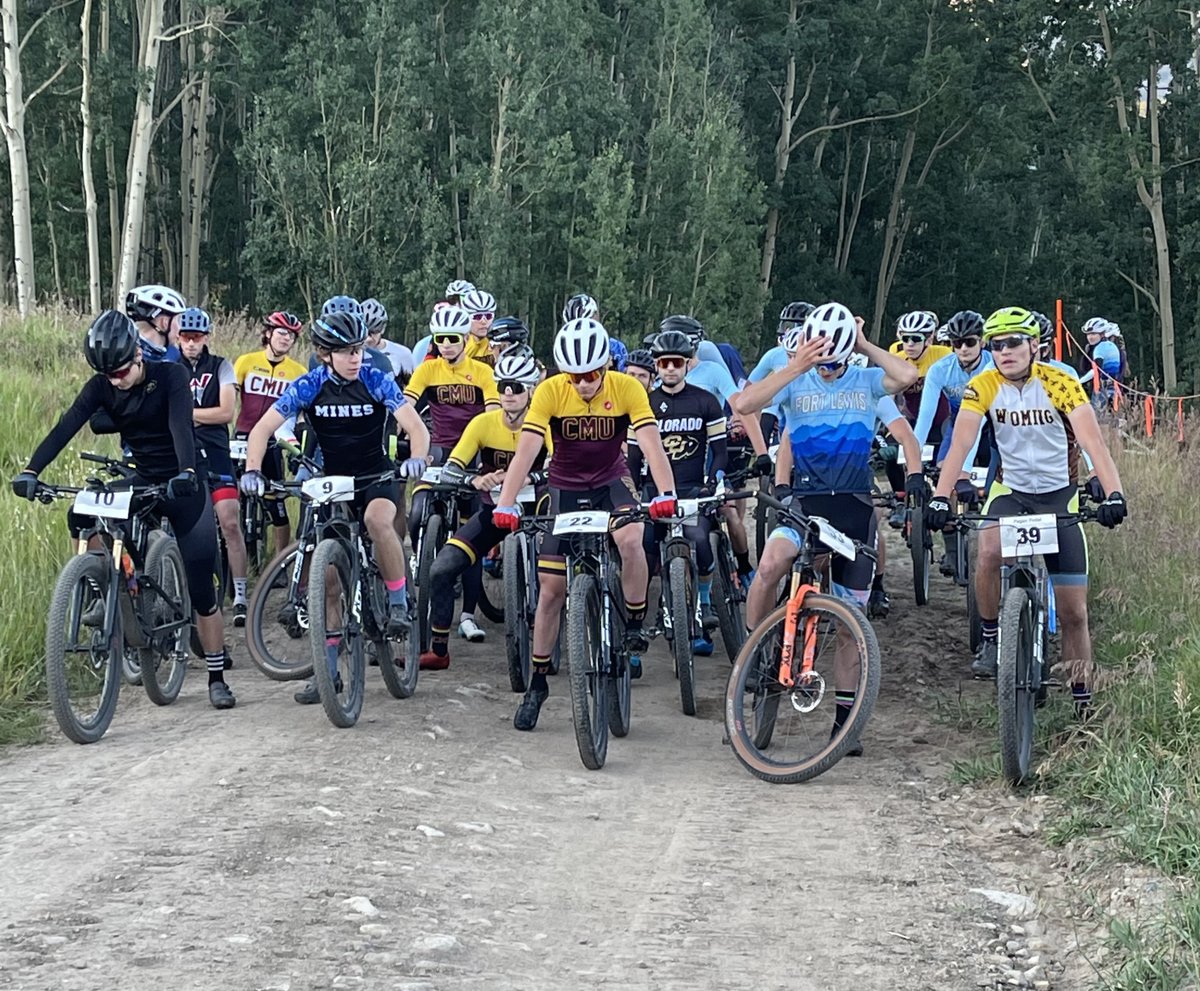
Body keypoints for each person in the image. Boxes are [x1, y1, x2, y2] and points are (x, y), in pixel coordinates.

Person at [12, 311, 237, 709]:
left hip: (183, 477)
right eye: (107, 375)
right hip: (142, 474)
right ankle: (106, 583)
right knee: (81, 514)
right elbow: (66, 427)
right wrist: (31, 470)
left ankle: (217, 675)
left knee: (201, 577)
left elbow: (180, 428)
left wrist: (186, 472)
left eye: (119, 372)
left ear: (137, 354)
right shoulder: (101, 385)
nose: (115, 380)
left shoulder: (169, 377)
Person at [733, 302, 919, 756]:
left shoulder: (866, 381)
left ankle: (844, 721)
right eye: (825, 361)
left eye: (837, 361)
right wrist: (797, 365)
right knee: (771, 564)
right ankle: (753, 653)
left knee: (851, 619)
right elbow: (743, 403)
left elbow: (907, 376)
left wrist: (862, 344)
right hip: (804, 502)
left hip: (853, 507)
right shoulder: (796, 381)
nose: (831, 370)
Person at [927, 307, 1127, 710]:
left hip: (1058, 495)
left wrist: (1114, 494)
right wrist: (939, 495)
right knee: (987, 551)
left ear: (1034, 346)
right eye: (996, 345)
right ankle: (988, 638)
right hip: (1012, 491)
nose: (1005, 352)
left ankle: (1082, 700)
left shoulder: (1060, 382)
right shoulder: (982, 385)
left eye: (1014, 342)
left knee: (1073, 612)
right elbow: (961, 443)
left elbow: (1093, 444)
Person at [491, 318, 679, 731]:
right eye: (574, 377)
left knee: (632, 537)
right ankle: (538, 684)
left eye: (592, 375)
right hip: (565, 485)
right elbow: (526, 451)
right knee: (551, 590)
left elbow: (650, 442)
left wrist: (666, 493)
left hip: (612, 481)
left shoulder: (628, 388)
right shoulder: (549, 392)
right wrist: (506, 503)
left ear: (607, 366)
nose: (583, 384)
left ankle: (632, 621)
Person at [240, 310, 431, 704]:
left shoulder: (377, 379)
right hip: (333, 480)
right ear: (325, 354)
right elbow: (261, 429)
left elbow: (416, 428)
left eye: (358, 349)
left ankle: (397, 601)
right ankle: (328, 673)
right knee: (326, 580)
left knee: (378, 521)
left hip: (375, 475)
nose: (355, 358)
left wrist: (418, 458)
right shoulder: (309, 385)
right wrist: (253, 470)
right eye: (345, 352)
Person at [419, 351, 549, 669]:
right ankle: (438, 651)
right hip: (494, 512)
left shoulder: (546, 422)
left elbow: (560, 468)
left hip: (538, 513)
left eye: (516, 387)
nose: (508, 393)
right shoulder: (483, 422)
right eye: (503, 386)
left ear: (531, 390)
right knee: (441, 569)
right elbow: (451, 469)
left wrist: (527, 477)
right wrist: (476, 478)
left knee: (557, 574)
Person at [627, 329, 727, 669]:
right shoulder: (642, 405)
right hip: (652, 493)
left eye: (677, 363)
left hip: (691, 491)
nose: (670, 369)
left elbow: (719, 451)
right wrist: (633, 493)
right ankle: (634, 635)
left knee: (700, 542)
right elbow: (631, 458)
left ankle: (702, 606)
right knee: (643, 555)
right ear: (656, 367)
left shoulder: (706, 402)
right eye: (664, 363)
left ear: (687, 365)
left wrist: (715, 482)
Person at [403, 305, 500, 641]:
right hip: (439, 448)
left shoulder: (483, 372)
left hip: (474, 451)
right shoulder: (428, 370)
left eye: (452, 338)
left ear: (464, 339)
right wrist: (397, 438)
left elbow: (492, 415)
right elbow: (407, 406)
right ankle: (420, 559)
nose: (445, 344)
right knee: (416, 513)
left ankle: (469, 615)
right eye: (439, 338)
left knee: (471, 534)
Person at [662, 314, 771, 586]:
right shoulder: (663, 374)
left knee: (729, 511)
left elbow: (742, 407)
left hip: (710, 455)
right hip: (673, 461)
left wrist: (762, 452)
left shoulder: (713, 372)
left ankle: (744, 566)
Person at [176, 307, 251, 626]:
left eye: (196, 337)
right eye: (185, 337)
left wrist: (184, 414)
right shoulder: (167, 366)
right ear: (178, 338)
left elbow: (225, 412)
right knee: (184, 527)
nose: (191, 343)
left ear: (206, 337)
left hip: (216, 450)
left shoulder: (221, 366)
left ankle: (241, 594)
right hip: (180, 451)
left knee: (230, 522)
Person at [912, 309, 995, 575]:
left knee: (997, 480)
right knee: (945, 479)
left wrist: (965, 469)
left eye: (969, 342)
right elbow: (924, 418)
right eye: (956, 343)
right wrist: (913, 461)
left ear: (982, 342)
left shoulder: (993, 365)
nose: (963, 348)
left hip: (995, 422)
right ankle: (952, 551)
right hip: (960, 421)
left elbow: (982, 421)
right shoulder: (940, 370)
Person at [233, 311, 308, 559]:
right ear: (268, 333)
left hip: (276, 439)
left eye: (292, 336)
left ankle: (279, 561)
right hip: (243, 434)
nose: (287, 339)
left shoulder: (298, 371)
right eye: (282, 333)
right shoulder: (245, 361)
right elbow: (230, 397)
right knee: (231, 497)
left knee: (276, 502)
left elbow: (301, 414)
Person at [126, 284, 186, 362]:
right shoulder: (134, 360)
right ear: (165, 323)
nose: (180, 328)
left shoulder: (125, 353)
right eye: (178, 320)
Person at [361, 297, 415, 387]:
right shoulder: (351, 356)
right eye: (364, 333)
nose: (368, 339)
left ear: (383, 329)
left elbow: (411, 389)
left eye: (374, 332)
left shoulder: (403, 354)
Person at [460, 289, 497, 365]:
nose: (483, 321)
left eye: (488, 316)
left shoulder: (499, 343)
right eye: (477, 317)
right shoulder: (457, 343)